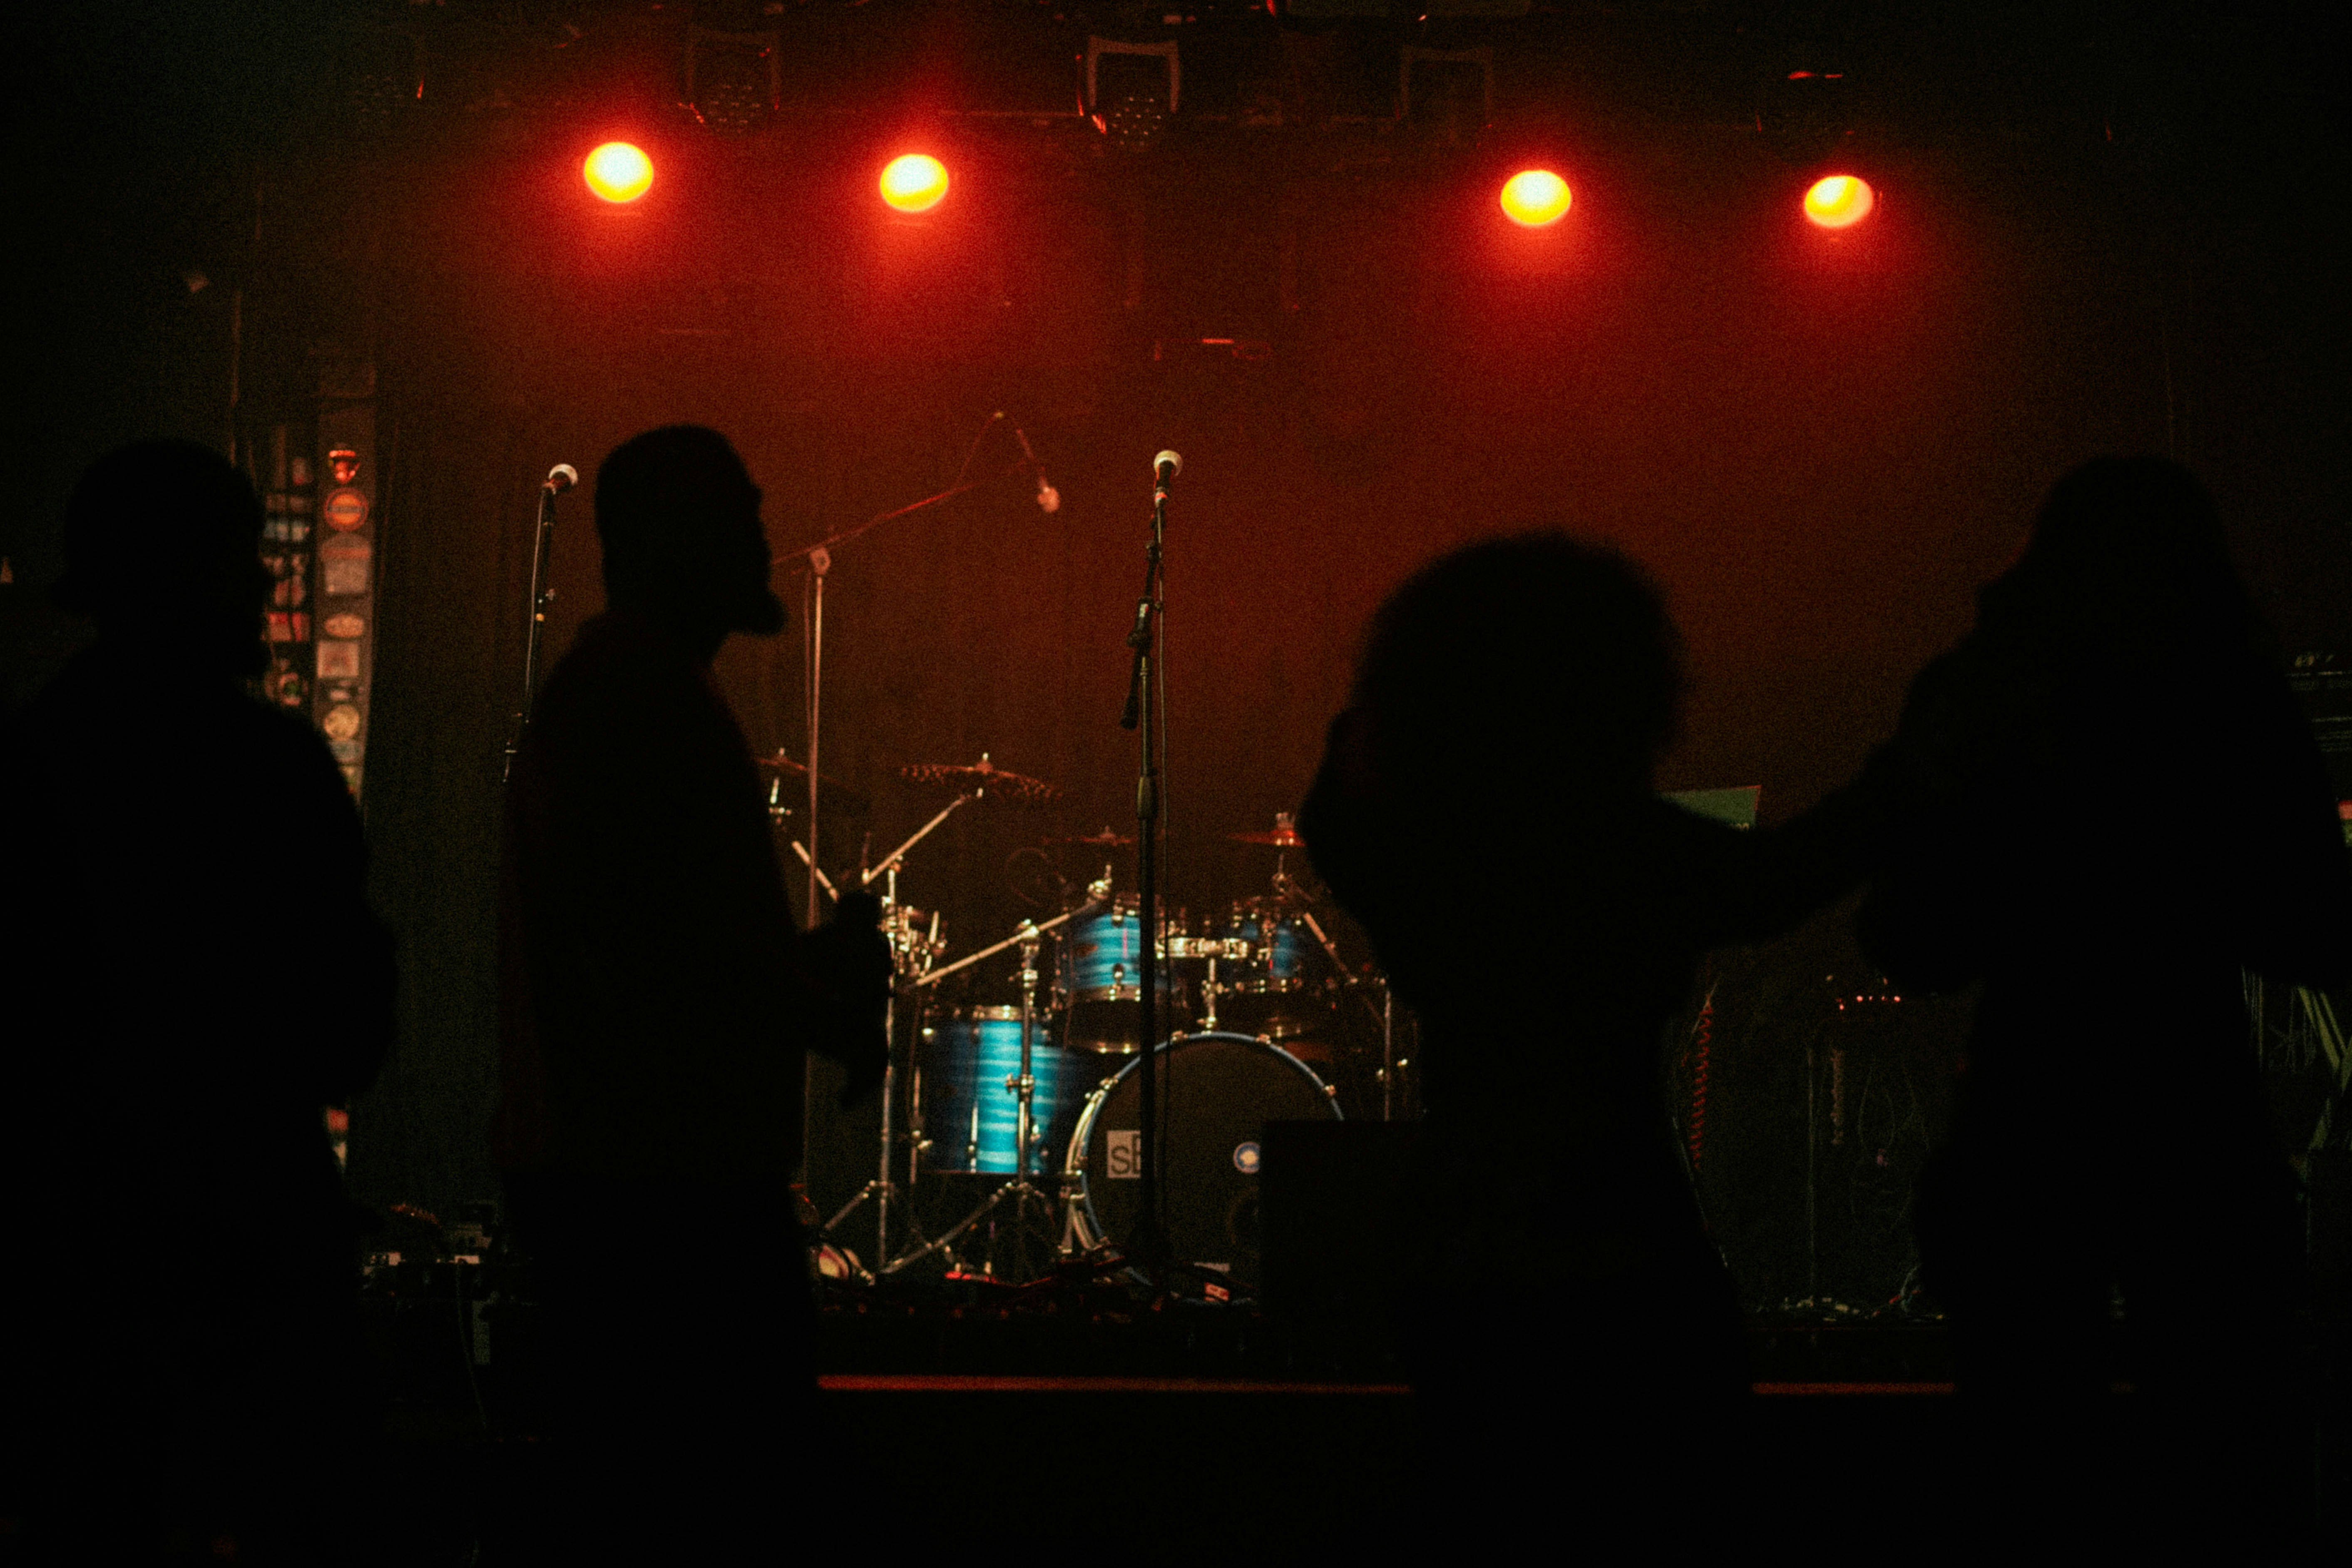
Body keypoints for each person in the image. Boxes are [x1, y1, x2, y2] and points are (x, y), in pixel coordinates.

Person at [1298, 532, 1893, 1543]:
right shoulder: (1618, 856)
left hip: (1464, 1235)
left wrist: (1405, 693)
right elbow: (1785, 876)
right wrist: (1924, 759)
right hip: (1619, 1236)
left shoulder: (1420, 858)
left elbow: (1334, 802)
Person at [1860, 457, 2351, 1551]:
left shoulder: (1977, 692)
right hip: (2193, 1117)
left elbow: (1909, 933)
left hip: (2027, 1118)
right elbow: (2316, 924)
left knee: (2030, 1464)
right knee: (2234, 1452)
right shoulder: (2225, 691)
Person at [494, 425, 889, 1556]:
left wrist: (810, 979)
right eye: (742, 518)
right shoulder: (642, 702)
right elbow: (673, 973)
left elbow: (665, 948)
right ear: (674, 539)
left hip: (625, 1188)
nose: (763, 541)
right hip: (657, 1204)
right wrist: (822, 999)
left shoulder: (624, 692)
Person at [0, 440, 395, 1559]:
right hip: (251, 1260)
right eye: (247, 564)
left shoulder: (32, 766)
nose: (269, 590)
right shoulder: (271, 773)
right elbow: (349, 1033)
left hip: (78, 1276)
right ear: (195, 576)